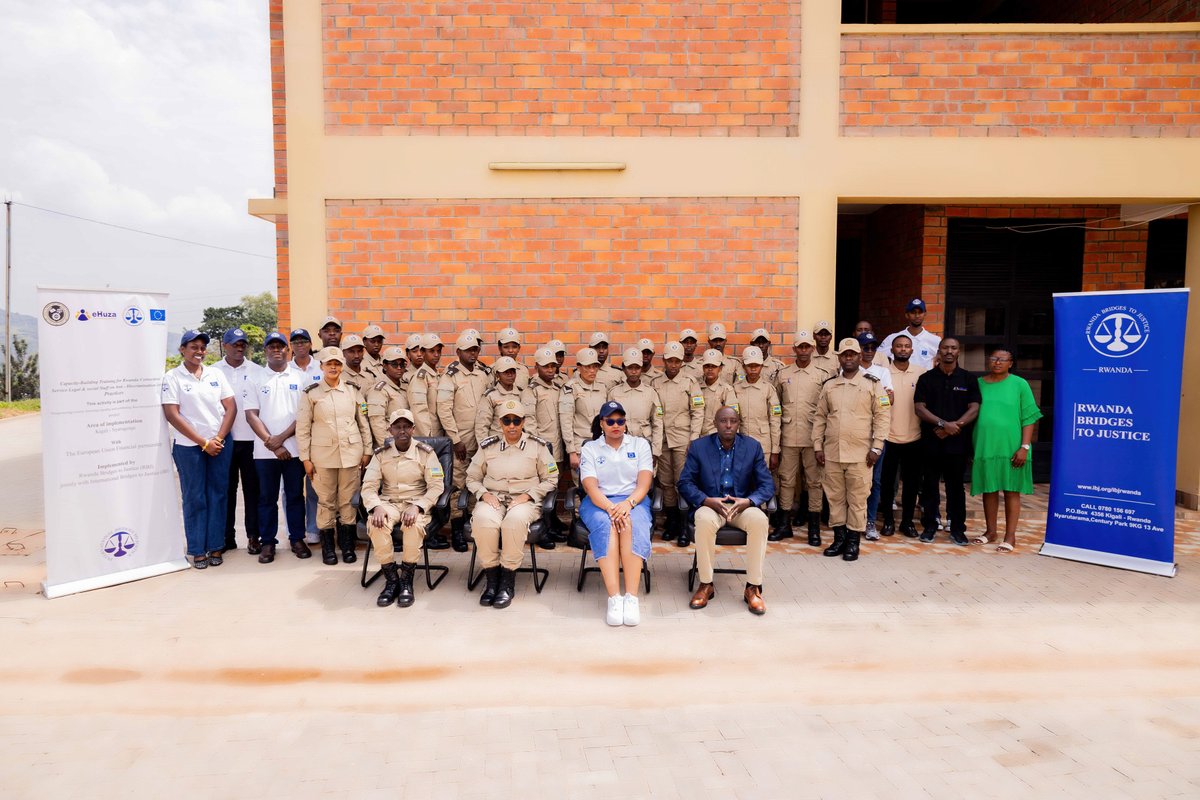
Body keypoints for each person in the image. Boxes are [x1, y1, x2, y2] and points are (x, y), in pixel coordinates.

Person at [678, 406, 775, 615]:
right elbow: (685, 482)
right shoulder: (699, 447)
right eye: (723, 421)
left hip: (741, 506)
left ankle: (753, 587)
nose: (728, 425)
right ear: (715, 423)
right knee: (702, 520)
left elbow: (767, 485)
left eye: (733, 421)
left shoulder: (752, 447)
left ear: (739, 423)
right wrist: (706, 500)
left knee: (759, 520)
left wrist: (749, 501)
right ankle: (706, 584)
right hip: (711, 505)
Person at [466, 400, 558, 609]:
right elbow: (471, 477)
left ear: (523, 421)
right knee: (482, 519)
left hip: (524, 499)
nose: (512, 425)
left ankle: (507, 580)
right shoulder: (488, 446)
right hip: (494, 497)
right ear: (500, 423)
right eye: (507, 421)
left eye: (516, 420)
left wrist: (529, 495)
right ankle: (492, 578)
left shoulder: (538, 446)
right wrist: (483, 494)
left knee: (514, 521)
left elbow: (552, 478)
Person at [161, 329, 236, 569]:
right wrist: (203, 442)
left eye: (202, 347)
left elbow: (230, 408)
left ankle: (215, 545)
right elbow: (172, 414)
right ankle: (196, 549)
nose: (199, 352)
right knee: (195, 497)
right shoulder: (173, 377)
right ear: (182, 350)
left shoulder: (215, 374)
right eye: (193, 347)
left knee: (218, 494)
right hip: (189, 447)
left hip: (220, 444)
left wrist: (218, 438)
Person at [812, 338, 890, 562]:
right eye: (844, 355)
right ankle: (839, 539)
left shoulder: (872, 385)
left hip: (860, 455)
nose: (848, 358)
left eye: (852, 354)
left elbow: (883, 418)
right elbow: (819, 418)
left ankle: (853, 542)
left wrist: (877, 447)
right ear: (839, 357)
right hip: (833, 453)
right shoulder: (830, 386)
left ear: (859, 356)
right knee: (835, 498)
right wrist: (818, 446)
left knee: (857, 499)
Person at [579, 401, 654, 627]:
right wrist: (612, 508)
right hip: (599, 502)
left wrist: (627, 505)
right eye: (610, 421)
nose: (615, 425)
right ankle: (614, 597)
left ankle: (631, 597)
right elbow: (590, 487)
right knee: (607, 525)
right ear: (601, 424)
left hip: (634, 500)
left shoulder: (640, 445)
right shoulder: (590, 448)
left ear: (625, 423)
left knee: (631, 524)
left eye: (620, 421)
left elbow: (644, 482)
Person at [296, 346, 373, 565]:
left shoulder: (352, 390)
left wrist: (367, 450)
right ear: (321, 366)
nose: (333, 367)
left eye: (337, 363)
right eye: (329, 363)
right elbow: (303, 429)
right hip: (322, 458)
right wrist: (305, 459)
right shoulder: (311, 394)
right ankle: (328, 549)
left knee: (348, 502)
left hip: (351, 455)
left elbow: (362, 423)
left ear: (342, 366)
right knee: (326, 502)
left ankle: (347, 547)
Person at [361, 410, 445, 608]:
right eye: (397, 427)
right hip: (389, 503)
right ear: (390, 430)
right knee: (376, 523)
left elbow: (436, 486)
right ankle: (391, 579)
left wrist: (418, 506)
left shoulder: (426, 453)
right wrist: (376, 507)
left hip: (415, 503)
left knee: (413, 526)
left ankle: (407, 579)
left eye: (406, 426)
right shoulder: (381, 454)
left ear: (413, 429)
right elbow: (369, 486)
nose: (402, 431)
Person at [244, 332, 310, 563]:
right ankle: (268, 543)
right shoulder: (255, 378)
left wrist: (281, 439)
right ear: (265, 351)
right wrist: (272, 444)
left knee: (294, 496)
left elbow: (304, 414)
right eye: (271, 346)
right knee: (266, 498)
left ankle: (297, 539)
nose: (276, 350)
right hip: (265, 453)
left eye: (280, 346)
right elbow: (251, 414)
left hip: (294, 450)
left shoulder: (300, 378)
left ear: (287, 350)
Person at [970, 349, 1042, 553]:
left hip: (1012, 447)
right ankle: (990, 531)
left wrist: (1024, 447)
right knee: (989, 489)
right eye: (993, 358)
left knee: (1011, 491)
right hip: (985, 445)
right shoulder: (979, 384)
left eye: (1002, 359)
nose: (997, 362)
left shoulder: (1020, 384)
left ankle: (1010, 536)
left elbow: (1029, 417)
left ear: (1011, 363)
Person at [913, 337, 981, 545]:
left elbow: (974, 408)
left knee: (955, 488)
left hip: (957, 444)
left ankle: (958, 528)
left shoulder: (968, 379)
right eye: (945, 348)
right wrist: (944, 424)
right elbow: (919, 408)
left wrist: (955, 426)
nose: (949, 351)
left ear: (958, 352)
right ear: (939, 351)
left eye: (953, 348)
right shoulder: (926, 378)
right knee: (930, 486)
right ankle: (930, 526)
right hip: (931, 442)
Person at [773, 330, 832, 545]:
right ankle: (784, 525)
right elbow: (776, 407)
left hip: (813, 437)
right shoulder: (783, 374)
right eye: (800, 347)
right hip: (788, 436)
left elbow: (826, 410)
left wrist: (822, 440)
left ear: (813, 348)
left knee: (814, 482)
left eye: (808, 346)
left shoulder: (822, 375)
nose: (804, 350)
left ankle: (813, 528)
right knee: (786, 481)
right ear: (794, 349)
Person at [438, 331, 494, 552]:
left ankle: (473, 526)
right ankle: (457, 532)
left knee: (478, 482)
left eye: (476, 350)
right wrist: (455, 439)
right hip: (460, 442)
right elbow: (443, 410)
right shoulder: (450, 376)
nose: (473, 353)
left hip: (481, 440)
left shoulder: (482, 374)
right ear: (458, 351)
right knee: (458, 486)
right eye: (469, 350)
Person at [211, 327, 266, 555]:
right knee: (227, 489)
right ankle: (227, 537)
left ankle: (254, 537)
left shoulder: (257, 371)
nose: (239, 347)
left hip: (251, 441)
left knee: (253, 491)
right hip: (224, 441)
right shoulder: (212, 371)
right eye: (234, 343)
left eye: (242, 343)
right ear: (225, 345)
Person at [650, 341, 704, 547]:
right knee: (665, 482)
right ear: (664, 360)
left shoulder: (690, 382)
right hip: (662, 440)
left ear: (682, 362)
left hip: (683, 439)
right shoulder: (656, 383)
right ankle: (671, 522)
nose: (673, 365)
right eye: (670, 361)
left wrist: (694, 438)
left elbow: (698, 412)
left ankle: (684, 525)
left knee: (682, 482)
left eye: (677, 361)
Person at [877, 334, 927, 539]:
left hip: (914, 437)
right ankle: (888, 520)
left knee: (912, 484)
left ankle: (907, 522)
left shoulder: (922, 374)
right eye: (899, 346)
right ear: (893, 350)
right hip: (889, 436)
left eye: (907, 346)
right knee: (887, 484)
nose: (903, 349)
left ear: (912, 350)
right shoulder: (882, 373)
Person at [857, 332, 894, 540]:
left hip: (876, 435)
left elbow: (889, 400)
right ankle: (855, 520)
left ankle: (870, 521)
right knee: (854, 480)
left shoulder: (883, 371)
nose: (869, 351)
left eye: (872, 347)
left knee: (875, 481)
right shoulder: (850, 370)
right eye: (865, 347)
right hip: (855, 434)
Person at [289, 327, 322, 545]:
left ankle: (313, 528)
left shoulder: (320, 366)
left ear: (310, 344)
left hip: (317, 436)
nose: (300, 345)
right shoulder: (284, 369)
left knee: (314, 487)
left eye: (304, 341)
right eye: (295, 342)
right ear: (291, 346)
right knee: (291, 491)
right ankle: (296, 532)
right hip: (291, 439)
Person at [608, 347, 665, 461]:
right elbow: (608, 423)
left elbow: (657, 423)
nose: (634, 372)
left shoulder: (651, 393)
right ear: (623, 368)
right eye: (630, 368)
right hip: (620, 445)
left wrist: (655, 451)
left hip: (644, 445)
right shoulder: (614, 393)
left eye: (637, 368)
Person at [560, 348, 609, 479]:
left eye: (595, 366)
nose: (592, 371)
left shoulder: (602, 387)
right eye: (588, 367)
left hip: (601, 445)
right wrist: (571, 451)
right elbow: (566, 421)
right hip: (581, 446)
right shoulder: (570, 388)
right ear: (579, 367)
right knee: (582, 488)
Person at [731, 347, 781, 471]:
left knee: (762, 481)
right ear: (743, 366)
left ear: (762, 366)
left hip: (763, 445)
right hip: (741, 443)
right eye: (749, 365)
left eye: (757, 365)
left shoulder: (769, 390)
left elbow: (775, 422)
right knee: (742, 481)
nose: (753, 369)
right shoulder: (735, 389)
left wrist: (775, 450)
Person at [475, 356, 538, 443]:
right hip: (497, 444)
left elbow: (528, 421)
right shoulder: (490, 396)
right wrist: (485, 448)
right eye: (506, 372)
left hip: (519, 444)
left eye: (513, 372)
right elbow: (482, 426)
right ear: (497, 374)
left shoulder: (522, 394)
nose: (510, 375)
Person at [365, 346, 410, 449]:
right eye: (394, 364)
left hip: (406, 443)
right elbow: (377, 424)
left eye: (402, 364)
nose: (399, 368)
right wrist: (390, 448)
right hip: (391, 446)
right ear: (384, 366)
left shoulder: (406, 386)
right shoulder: (379, 391)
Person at [880, 298, 942, 371]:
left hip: (926, 381)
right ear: (907, 315)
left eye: (920, 312)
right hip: (898, 380)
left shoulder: (935, 340)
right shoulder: (893, 338)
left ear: (925, 314)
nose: (917, 316)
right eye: (913, 312)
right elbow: (878, 358)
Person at [408, 333, 445, 437]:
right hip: (429, 435)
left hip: (440, 432)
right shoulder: (421, 377)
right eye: (432, 351)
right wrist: (427, 437)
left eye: (438, 351)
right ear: (423, 352)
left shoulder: (437, 375)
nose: (436, 354)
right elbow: (419, 410)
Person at [698, 349, 736, 435]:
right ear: (703, 367)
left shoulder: (726, 390)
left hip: (716, 437)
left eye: (714, 366)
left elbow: (733, 418)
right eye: (707, 366)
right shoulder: (695, 387)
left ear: (720, 368)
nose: (710, 369)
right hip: (696, 436)